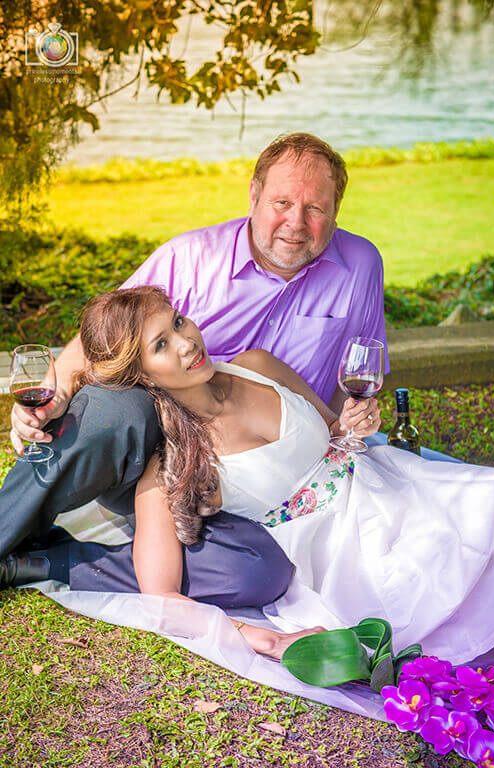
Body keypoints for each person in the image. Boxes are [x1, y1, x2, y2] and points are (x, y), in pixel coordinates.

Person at [2, 286, 494, 665]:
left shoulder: (260, 365)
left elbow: (335, 432)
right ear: (140, 376)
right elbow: (161, 595)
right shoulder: (172, 464)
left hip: (391, 484)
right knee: (473, 599)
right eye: (161, 345)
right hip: (346, 549)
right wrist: (263, 639)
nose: (186, 342)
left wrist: (357, 422)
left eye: (178, 321)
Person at [2, 133, 387, 580]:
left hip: (279, 460)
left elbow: (355, 373)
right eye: (281, 203)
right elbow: (102, 338)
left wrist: (349, 427)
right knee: (110, 412)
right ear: (254, 195)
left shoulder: (361, 264)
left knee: (256, 571)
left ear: (336, 211)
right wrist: (52, 394)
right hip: (168, 443)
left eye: (315, 208)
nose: (295, 222)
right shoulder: (190, 256)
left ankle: (48, 563)